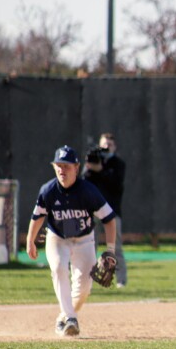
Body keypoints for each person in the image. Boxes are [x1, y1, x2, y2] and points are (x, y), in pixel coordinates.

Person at [26, 145, 117, 337]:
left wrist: (110, 250)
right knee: (58, 267)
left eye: (66, 166)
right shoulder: (48, 191)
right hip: (57, 238)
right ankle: (70, 318)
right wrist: (30, 240)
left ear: (77, 167)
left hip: (84, 240)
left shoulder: (88, 191)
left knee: (83, 290)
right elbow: (38, 217)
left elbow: (109, 219)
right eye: (58, 165)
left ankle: (64, 317)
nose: (62, 170)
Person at [83, 133, 128, 288]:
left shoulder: (118, 164)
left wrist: (100, 170)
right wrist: (90, 166)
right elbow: (84, 179)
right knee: (89, 244)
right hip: (94, 210)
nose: (106, 147)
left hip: (112, 211)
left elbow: (115, 183)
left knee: (115, 246)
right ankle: (87, 278)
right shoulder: (94, 160)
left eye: (109, 144)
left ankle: (121, 280)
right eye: (104, 144)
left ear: (114, 147)